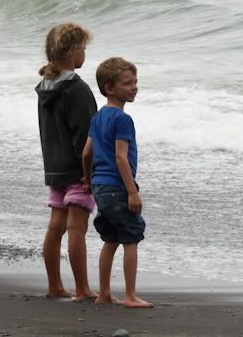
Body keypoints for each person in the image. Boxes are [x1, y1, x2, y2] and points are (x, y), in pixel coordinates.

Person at [82, 57, 153, 308]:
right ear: (109, 88)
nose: (134, 87)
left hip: (101, 187)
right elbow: (120, 157)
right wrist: (132, 191)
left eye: (135, 82)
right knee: (131, 237)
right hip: (118, 186)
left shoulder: (98, 117)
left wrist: (89, 182)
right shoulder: (123, 119)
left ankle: (103, 293)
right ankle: (131, 295)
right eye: (127, 83)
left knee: (110, 238)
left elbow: (86, 153)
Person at [35, 22, 98, 300]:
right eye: (84, 48)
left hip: (54, 165)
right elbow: (87, 136)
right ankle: (83, 289)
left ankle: (54, 286)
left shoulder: (46, 85)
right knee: (77, 228)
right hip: (77, 169)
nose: (85, 53)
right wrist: (89, 173)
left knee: (55, 226)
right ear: (73, 51)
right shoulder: (77, 88)